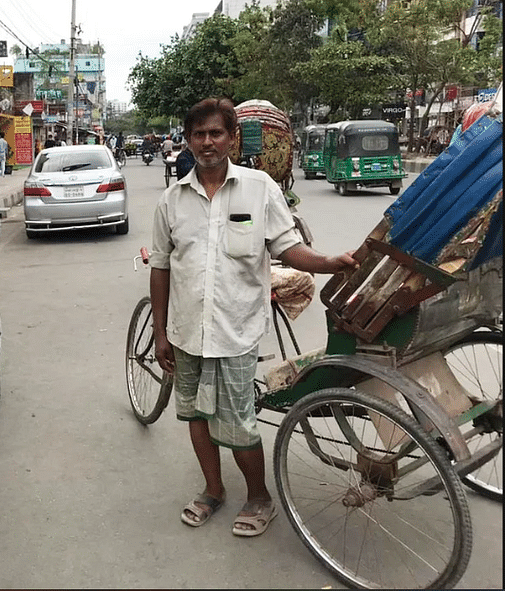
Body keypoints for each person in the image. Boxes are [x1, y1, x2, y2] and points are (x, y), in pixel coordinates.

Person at [149, 97, 356, 537]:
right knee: (195, 416)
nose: (207, 142)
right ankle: (213, 489)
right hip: (186, 331)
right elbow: (162, 267)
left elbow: (286, 247)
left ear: (232, 138)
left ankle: (259, 497)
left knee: (240, 422)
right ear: (188, 140)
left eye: (216, 133)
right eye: (199, 134)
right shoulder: (171, 201)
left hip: (236, 331)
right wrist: (161, 332)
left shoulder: (260, 187)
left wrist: (326, 262)